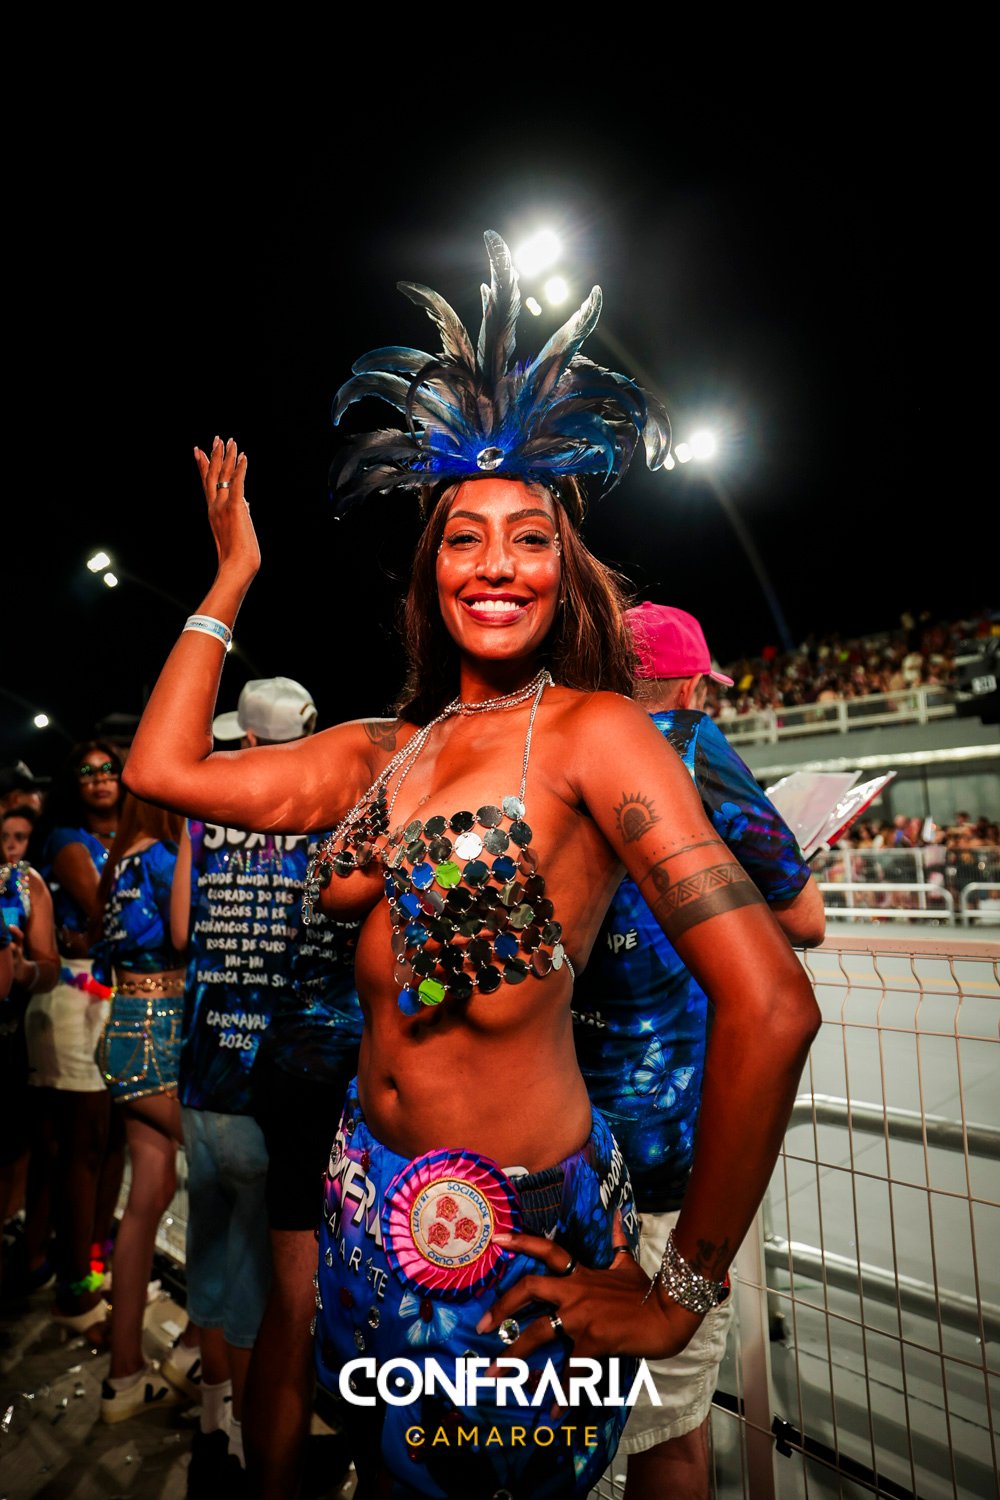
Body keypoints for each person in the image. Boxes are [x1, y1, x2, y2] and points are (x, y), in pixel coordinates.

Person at [124, 231, 820, 1499]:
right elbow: (163, 769)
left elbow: (773, 1005)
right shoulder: (384, 752)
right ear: (428, 569)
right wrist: (232, 576)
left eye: (529, 538)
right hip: (368, 1200)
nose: (495, 564)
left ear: (565, 570)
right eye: (463, 538)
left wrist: (680, 1290)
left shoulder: (597, 736)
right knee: (389, 1482)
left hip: (516, 1234)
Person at [573, 603, 825, 1499]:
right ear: (687, 686)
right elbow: (804, 917)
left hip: (565, 1137)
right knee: (672, 1430)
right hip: (669, 1147)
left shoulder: (560, 748)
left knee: (568, 1412)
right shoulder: (684, 742)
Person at [168, 675, 321, 1490]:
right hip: (276, 1082)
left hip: (204, 1071)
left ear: (251, 743)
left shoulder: (203, 810)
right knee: (264, 1291)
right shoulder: (318, 817)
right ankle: (255, 1455)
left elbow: (180, 930)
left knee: (211, 1258)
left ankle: (213, 1428)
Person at [89, 791, 200, 1422]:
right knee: (225, 1176)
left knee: (147, 1197)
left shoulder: (120, 860)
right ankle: (197, 1350)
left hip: (125, 1023)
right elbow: (189, 936)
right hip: (161, 1030)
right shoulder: (162, 857)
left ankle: (124, 1377)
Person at [25, 741, 127, 1335]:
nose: (99, 779)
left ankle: (95, 1260)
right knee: (80, 1148)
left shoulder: (137, 835)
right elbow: (107, 912)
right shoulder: (67, 840)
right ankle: (72, 1286)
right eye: (86, 772)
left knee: (114, 1142)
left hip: (120, 994)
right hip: (73, 998)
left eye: (108, 769)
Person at [0, 812, 60, 1296]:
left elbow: (49, 968)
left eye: (20, 837)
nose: (10, 845)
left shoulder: (22, 884)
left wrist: (23, 972)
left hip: (8, 1044)